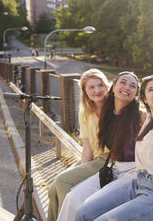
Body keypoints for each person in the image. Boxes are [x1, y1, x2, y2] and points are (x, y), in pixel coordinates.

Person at [75, 41, 153, 221]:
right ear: (144, 98)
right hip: (139, 181)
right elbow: (112, 111)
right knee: (83, 213)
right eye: (151, 90)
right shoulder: (144, 118)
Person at [57, 71, 146, 221]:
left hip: (133, 170)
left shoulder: (140, 114)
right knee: (72, 197)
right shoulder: (108, 113)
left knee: (85, 207)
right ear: (113, 87)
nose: (127, 87)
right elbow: (88, 147)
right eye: (123, 83)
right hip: (113, 166)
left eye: (133, 86)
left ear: (136, 92)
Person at [47, 68, 111, 221]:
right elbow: (87, 147)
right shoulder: (85, 112)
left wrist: (81, 175)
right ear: (85, 91)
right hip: (95, 158)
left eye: (100, 85)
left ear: (107, 85)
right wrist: (83, 171)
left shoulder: (114, 106)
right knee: (52, 188)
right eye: (91, 87)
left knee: (63, 181)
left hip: (108, 160)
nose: (97, 90)